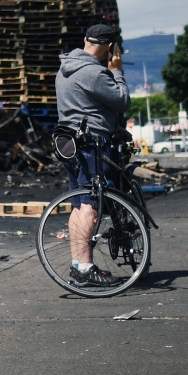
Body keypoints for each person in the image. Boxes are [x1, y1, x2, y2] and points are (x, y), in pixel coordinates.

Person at [55, 22, 132, 289]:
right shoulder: (93, 72)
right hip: (91, 142)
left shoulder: (65, 67)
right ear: (110, 47)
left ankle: (78, 265)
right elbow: (122, 101)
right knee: (90, 205)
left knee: (78, 204)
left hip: (67, 141)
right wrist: (117, 72)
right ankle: (87, 267)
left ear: (85, 38)